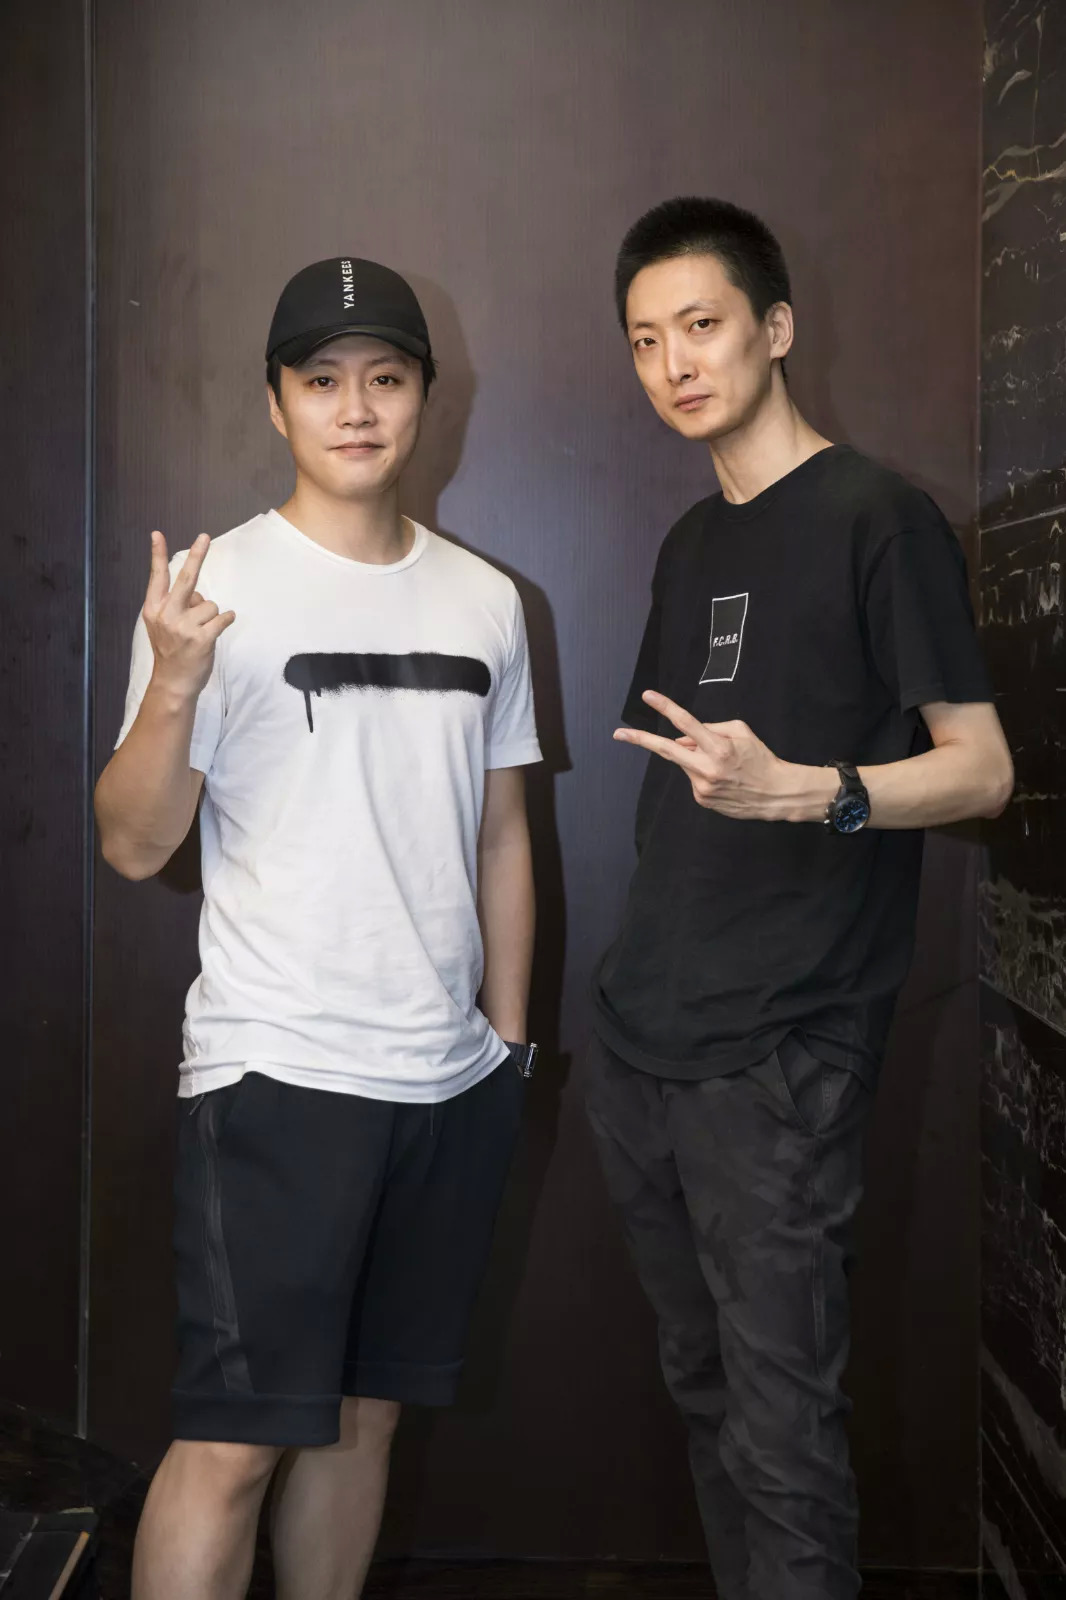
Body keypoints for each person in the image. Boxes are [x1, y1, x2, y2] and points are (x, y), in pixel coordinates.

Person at [584, 197, 1013, 1600]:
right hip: (646, 1039)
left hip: (780, 1050)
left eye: (701, 325)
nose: (674, 363)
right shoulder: (689, 542)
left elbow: (982, 770)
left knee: (781, 1432)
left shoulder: (880, 518)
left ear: (774, 327)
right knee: (704, 1391)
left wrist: (815, 790)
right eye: (645, 340)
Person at [95, 257, 541, 1600]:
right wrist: (174, 683)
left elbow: (503, 834)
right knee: (233, 1444)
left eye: (386, 379)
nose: (356, 409)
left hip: (446, 1082)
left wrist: (507, 1048)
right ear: (277, 402)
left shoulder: (486, 600)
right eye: (324, 380)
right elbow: (134, 844)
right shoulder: (212, 589)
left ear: (425, 400)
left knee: (363, 1421)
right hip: (275, 1074)